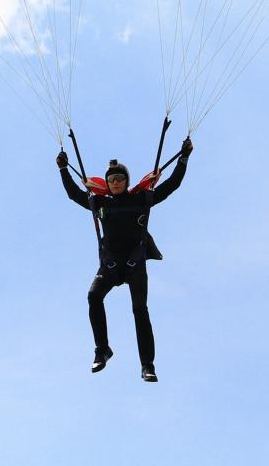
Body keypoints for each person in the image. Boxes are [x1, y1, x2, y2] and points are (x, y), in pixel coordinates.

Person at [56, 137, 193, 382]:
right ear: (107, 184)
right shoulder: (99, 202)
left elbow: (172, 184)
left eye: (119, 179)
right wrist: (63, 168)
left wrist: (183, 158)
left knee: (140, 310)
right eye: (111, 180)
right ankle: (102, 350)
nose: (115, 183)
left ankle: (147, 365)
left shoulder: (141, 199)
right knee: (93, 296)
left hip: (134, 265)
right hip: (110, 266)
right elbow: (73, 194)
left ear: (126, 181)